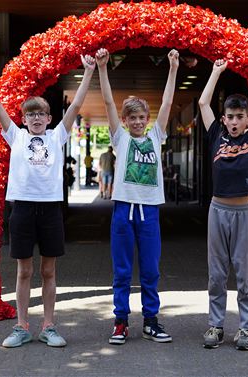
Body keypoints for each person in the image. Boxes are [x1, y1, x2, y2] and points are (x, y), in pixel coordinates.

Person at [0, 52, 95, 348]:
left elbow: (77, 104)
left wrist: (89, 71)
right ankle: (21, 326)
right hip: (23, 209)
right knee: (24, 270)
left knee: (49, 270)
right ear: (24, 118)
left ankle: (49, 326)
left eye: (41, 113)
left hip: (51, 210)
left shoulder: (57, 137)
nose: (37, 118)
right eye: (31, 114)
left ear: (49, 118)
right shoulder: (15, 136)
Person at [95, 47, 179, 345]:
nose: (138, 122)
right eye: (132, 118)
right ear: (125, 120)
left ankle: (151, 321)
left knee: (151, 270)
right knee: (121, 270)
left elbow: (168, 102)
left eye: (142, 117)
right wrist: (103, 69)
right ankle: (120, 322)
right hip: (123, 211)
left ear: (148, 118)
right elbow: (106, 101)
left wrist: (172, 69)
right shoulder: (120, 139)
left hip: (150, 212)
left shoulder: (156, 137)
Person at [198, 53, 248, 351]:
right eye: (229, 117)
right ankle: (215, 326)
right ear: (224, 119)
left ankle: (245, 329)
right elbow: (203, 103)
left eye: (238, 117)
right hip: (218, 211)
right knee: (217, 274)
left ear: (247, 119)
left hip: (245, 212)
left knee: (245, 274)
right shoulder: (216, 135)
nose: (233, 122)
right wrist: (216, 72)